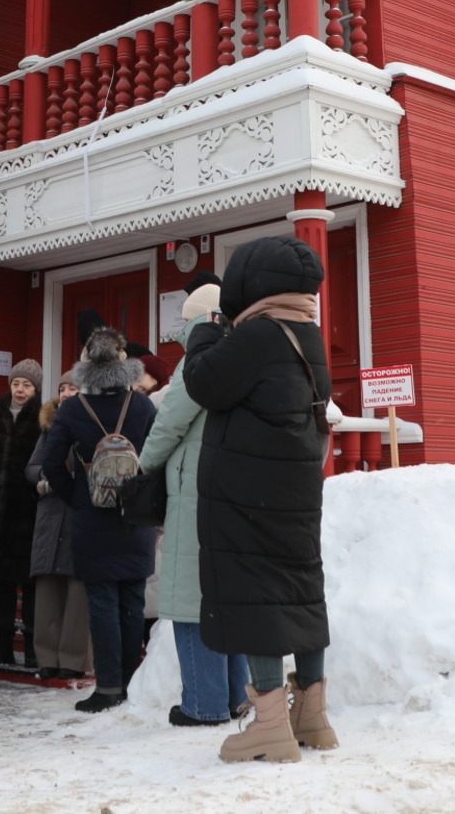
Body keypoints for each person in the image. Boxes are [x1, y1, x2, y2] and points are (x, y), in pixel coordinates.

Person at [182, 235, 338, 762]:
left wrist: (204, 333)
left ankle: (270, 723)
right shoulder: (306, 333)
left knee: (257, 599)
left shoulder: (257, 337)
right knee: (299, 591)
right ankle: (312, 716)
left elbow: (205, 383)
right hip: (293, 489)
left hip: (246, 491)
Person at [139, 282, 248, 727]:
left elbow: (169, 421)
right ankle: (238, 697)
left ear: (200, 320)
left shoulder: (195, 364)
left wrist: (142, 467)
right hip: (232, 486)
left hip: (192, 491)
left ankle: (203, 703)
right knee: (227, 599)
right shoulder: (243, 357)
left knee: (191, 601)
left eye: (185, 319)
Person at [42, 328, 158, 713]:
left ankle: (108, 686)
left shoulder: (73, 409)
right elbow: (159, 455)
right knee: (133, 601)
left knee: (102, 602)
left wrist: (78, 495)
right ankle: (131, 682)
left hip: (92, 516)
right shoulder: (142, 406)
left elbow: (51, 463)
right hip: (135, 515)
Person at [0, 359, 43, 667]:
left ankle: (31, 648)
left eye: (26, 385)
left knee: (30, 585)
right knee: (1, 583)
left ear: (36, 389)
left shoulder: (42, 419)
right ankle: (3, 645)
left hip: (27, 513)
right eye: (16, 383)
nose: (20, 389)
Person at [25, 379, 89, 680]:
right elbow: (32, 467)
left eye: (73, 389)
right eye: (63, 388)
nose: (66, 394)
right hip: (51, 515)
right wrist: (46, 476)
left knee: (78, 593)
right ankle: (46, 658)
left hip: (79, 514)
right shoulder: (49, 428)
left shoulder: (91, 424)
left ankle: (73, 660)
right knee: (48, 590)